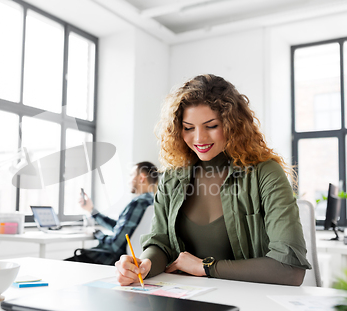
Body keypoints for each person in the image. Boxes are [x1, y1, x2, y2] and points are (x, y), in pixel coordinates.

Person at [115, 74, 311, 286]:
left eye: (211, 126)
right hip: (184, 300)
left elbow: (290, 270)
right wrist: (145, 265)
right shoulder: (172, 177)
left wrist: (205, 267)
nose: (199, 138)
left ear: (232, 125)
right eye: (188, 128)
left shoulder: (266, 173)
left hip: (252, 301)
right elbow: (161, 243)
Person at [65, 161, 158, 265]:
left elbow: (115, 246)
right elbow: (121, 228)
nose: (129, 181)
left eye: (131, 175)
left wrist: (96, 233)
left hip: (109, 259)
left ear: (142, 178)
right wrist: (92, 211)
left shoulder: (139, 203)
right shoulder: (153, 202)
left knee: (61, 265)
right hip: (123, 260)